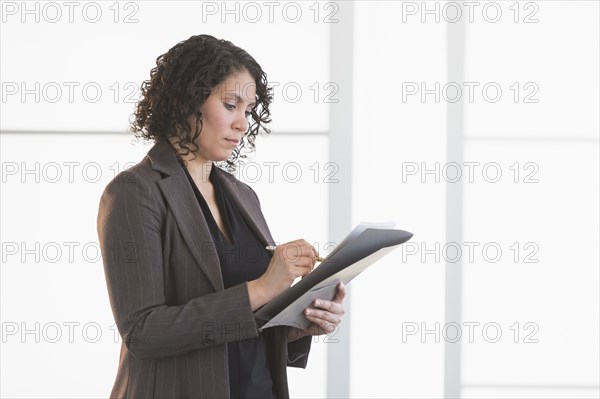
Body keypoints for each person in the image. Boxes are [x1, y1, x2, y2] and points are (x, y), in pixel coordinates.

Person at [96, 34, 346, 399]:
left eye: (249, 110)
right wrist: (263, 286)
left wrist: (300, 324)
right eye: (231, 105)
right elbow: (143, 332)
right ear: (186, 101)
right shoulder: (135, 192)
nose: (243, 123)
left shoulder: (243, 195)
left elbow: (247, 320)